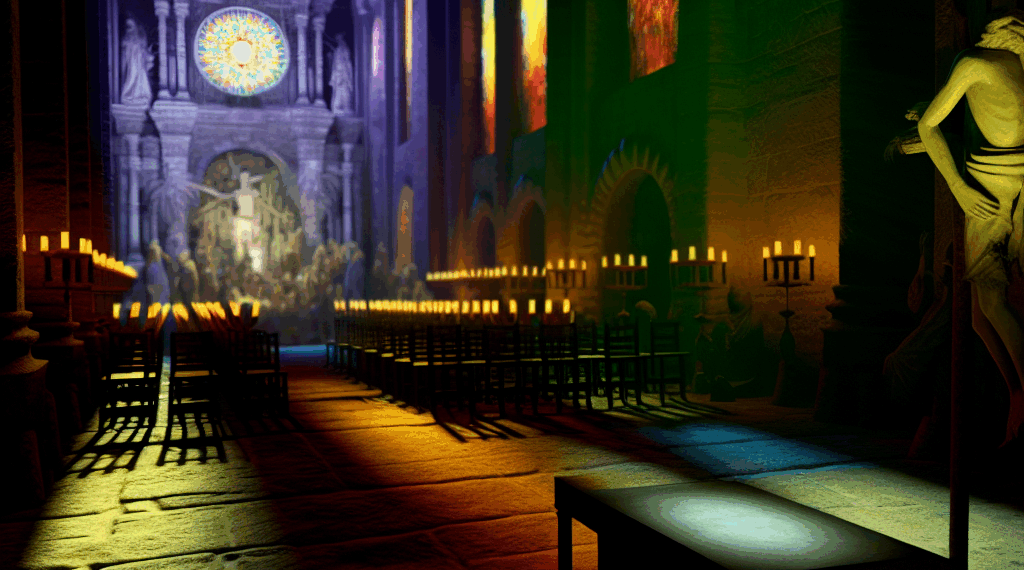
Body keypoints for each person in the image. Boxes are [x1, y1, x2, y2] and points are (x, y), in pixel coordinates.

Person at [918, 10, 1024, 446]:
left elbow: (929, 126)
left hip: (989, 190)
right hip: (1016, 181)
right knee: (981, 314)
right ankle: (1016, 390)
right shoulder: (1016, 61)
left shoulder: (973, 61)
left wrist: (959, 189)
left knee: (991, 299)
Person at [121, 18, 154, 106]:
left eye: (131, 26)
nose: (129, 29)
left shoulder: (140, 39)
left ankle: (141, 96)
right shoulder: (126, 39)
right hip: (132, 64)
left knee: (140, 78)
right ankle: (129, 95)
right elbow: (125, 52)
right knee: (131, 77)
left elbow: (144, 51)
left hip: (139, 64)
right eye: (128, 26)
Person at [329, 34, 353, 114]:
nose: (339, 40)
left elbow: (346, 63)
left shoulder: (344, 49)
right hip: (339, 75)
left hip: (343, 75)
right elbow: (336, 64)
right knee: (338, 92)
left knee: (344, 91)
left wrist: (345, 75)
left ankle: (346, 107)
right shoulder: (339, 49)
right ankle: (340, 108)